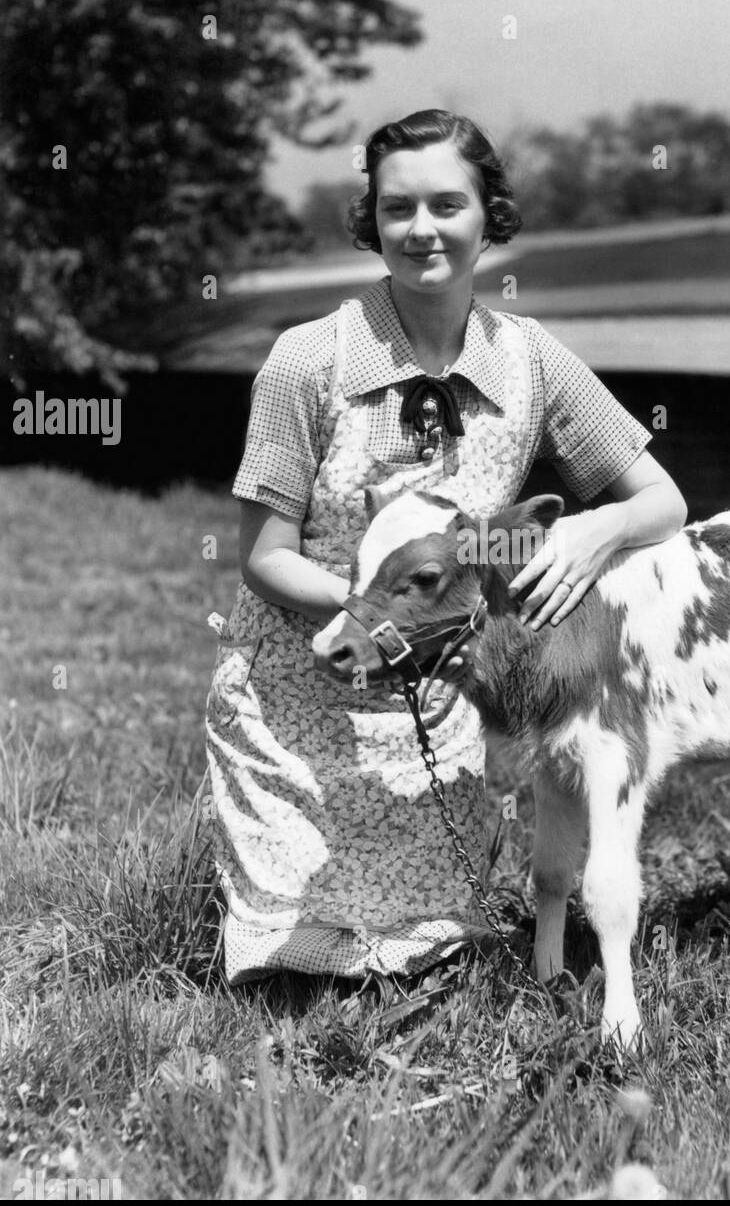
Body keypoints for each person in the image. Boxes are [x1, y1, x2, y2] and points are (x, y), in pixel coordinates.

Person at [204, 109, 688, 985]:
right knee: (296, 975)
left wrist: (594, 526)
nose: (421, 229)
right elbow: (263, 558)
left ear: (487, 216)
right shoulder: (307, 362)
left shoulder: (530, 360)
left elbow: (664, 501)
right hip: (296, 711)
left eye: (446, 204)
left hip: (440, 727)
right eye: (396, 210)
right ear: (371, 222)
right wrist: (373, 618)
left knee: (428, 964)